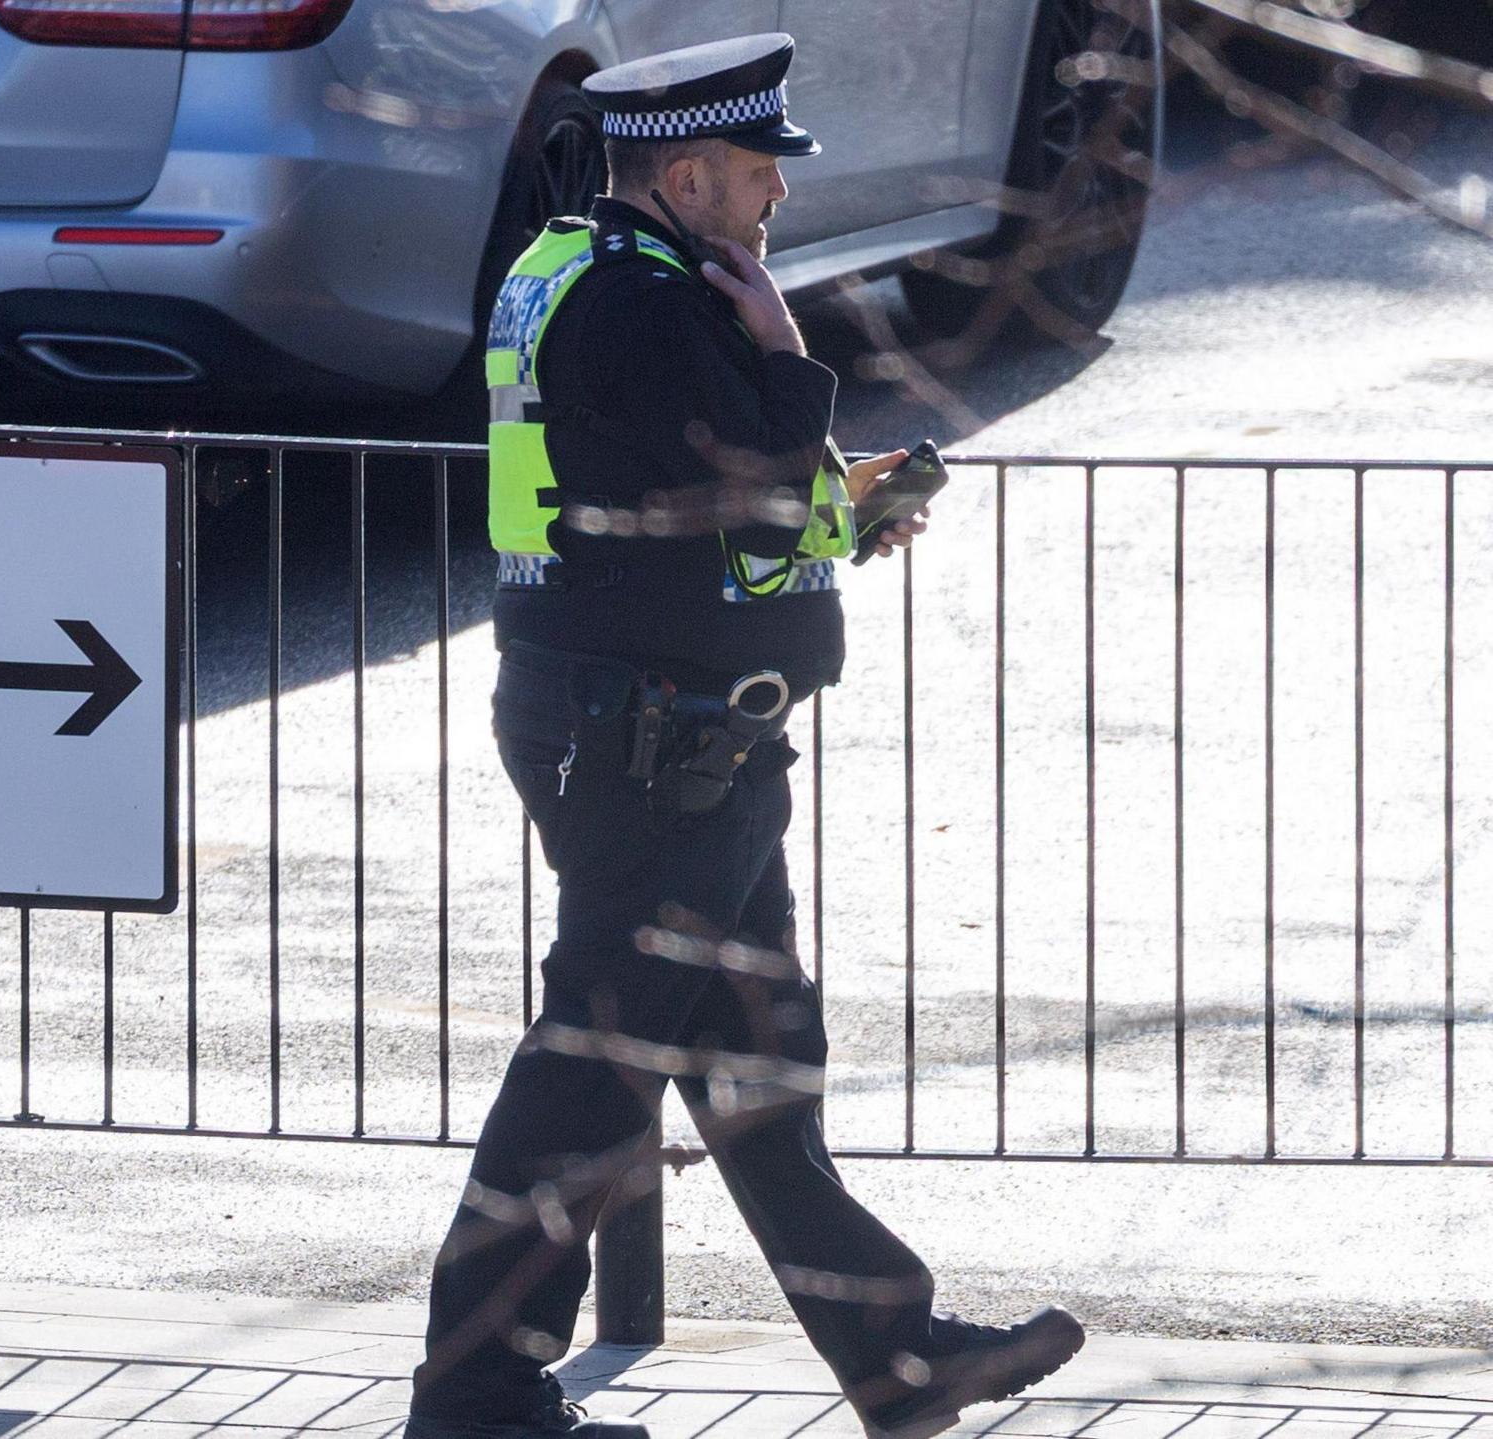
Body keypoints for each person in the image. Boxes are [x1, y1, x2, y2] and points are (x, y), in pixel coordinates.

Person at [406, 34, 1085, 1439]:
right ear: (693, 172)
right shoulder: (642, 306)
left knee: (758, 1067)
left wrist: (848, 504)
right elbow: (746, 479)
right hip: (654, 741)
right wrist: (788, 355)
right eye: (764, 173)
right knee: (594, 1072)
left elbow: (698, 497)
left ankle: (895, 1360)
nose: (777, 200)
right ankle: (474, 1392)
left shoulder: (590, 272)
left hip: (661, 727)